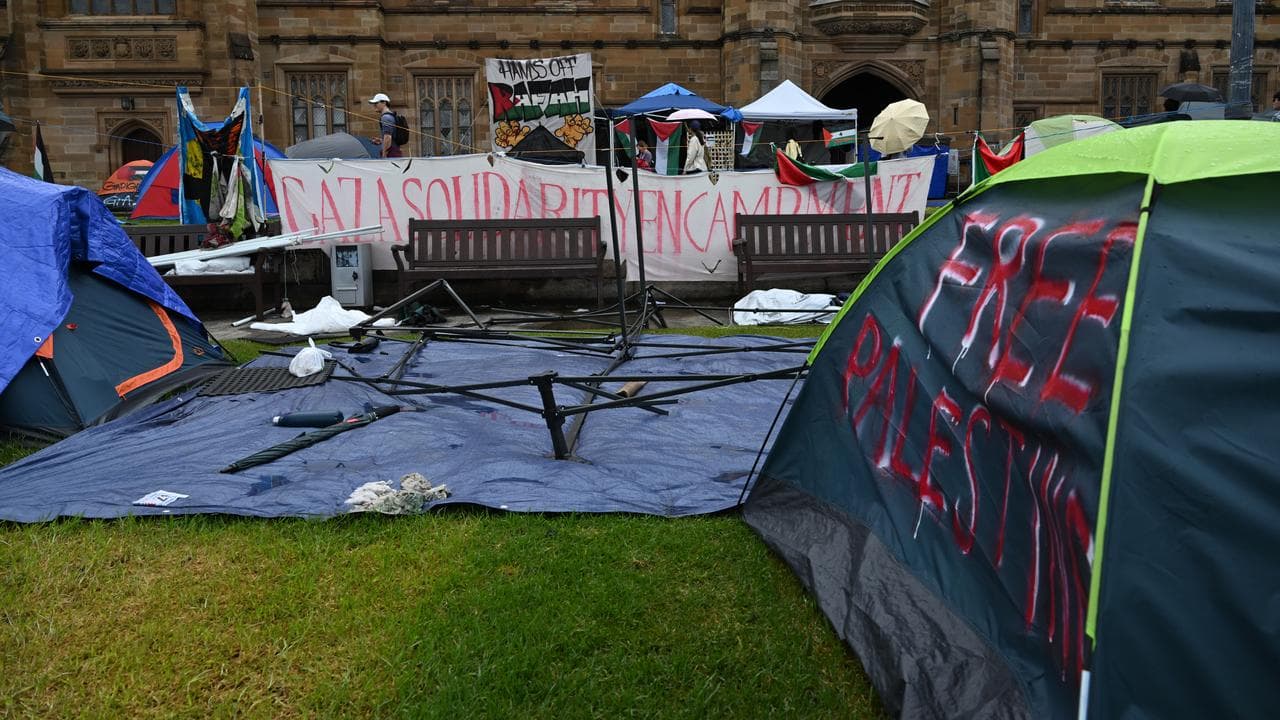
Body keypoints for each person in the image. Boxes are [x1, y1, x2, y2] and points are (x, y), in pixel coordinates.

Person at [368, 92, 402, 158]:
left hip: (391, 153)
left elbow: (388, 137)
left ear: (384, 103)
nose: (374, 105)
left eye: (376, 103)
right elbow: (391, 137)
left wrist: (384, 154)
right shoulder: (390, 116)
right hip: (394, 151)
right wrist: (381, 140)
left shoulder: (386, 117)